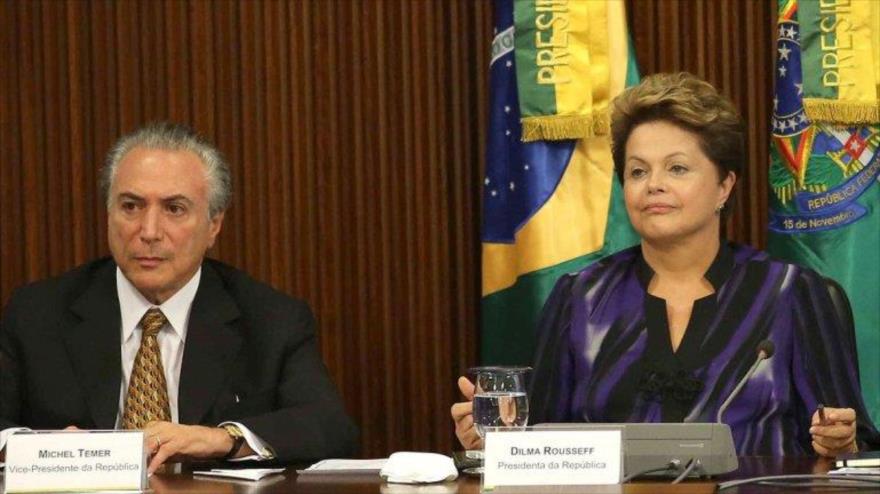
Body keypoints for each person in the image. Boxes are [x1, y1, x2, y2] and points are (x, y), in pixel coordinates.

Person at [452, 73, 880, 456]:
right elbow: (535, 444)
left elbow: (851, 447)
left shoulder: (791, 293)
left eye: (677, 168)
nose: (653, 184)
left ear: (723, 186)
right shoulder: (579, 298)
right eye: (637, 172)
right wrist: (494, 442)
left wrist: (840, 440)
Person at [0, 122, 358, 471]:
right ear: (108, 214)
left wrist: (224, 439)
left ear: (213, 224)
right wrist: (39, 450)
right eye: (131, 206)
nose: (149, 231)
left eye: (174, 209)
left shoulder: (270, 319)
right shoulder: (37, 315)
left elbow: (329, 427)